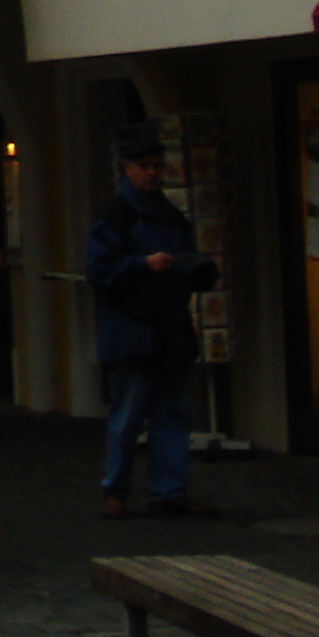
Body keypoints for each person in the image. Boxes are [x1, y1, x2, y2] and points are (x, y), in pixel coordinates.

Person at [87, 123, 222, 520]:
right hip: (132, 331)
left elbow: (188, 258)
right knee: (128, 417)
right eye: (144, 166)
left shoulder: (169, 216)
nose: (152, 173)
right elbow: (99, 269)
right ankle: (116, 490)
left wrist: (193, 270)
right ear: (127, 169)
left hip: (169, 329)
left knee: (172, 414)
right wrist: (141, 265)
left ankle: (168, 491)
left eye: (156, 166)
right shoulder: (116, 217)